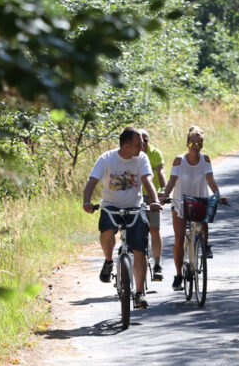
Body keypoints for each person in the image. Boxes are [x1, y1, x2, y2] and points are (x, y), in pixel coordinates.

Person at [82, 127, 162, 309]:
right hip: (111, 205)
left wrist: (155, 201)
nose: (142, 148)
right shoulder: (106, 159)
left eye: (142, 143)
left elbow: (147, 180)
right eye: (137, 145)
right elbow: (92, 182)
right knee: (107, 231)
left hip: (135, 206)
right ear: (126, 146)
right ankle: (109, 261)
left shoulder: (142, 158)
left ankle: (140, 293)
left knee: (140, 249)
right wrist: (87, 202)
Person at [159, 126, 228, 291]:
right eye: (192, 142)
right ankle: (178, 275)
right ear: (187, 143)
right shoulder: (179, 160)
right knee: (179, 239)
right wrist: (164, 196)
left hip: (198, 199)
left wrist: (218, 195)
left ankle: (205, 246)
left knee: (204, 219)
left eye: (199, 142)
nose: (195, 145)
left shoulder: (205, 160)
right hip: (180, 202)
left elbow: (210, 179)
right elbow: (172, 180)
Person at [138, 129, 166, 281]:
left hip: (151, 196)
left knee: (154, 229)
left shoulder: (154, 153)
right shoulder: (132, 154)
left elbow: (160, 172)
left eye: (146, 140)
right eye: (140, 140)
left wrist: (163, 190)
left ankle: (157, 264)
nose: (143, 143)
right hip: (134, 197)